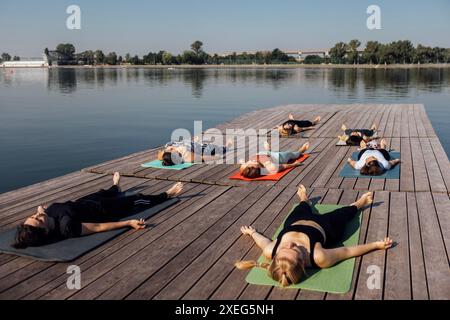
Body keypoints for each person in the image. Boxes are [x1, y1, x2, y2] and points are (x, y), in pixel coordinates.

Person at [235, 185, 393, 287]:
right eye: (295, 250)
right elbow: (347, 252)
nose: (290, 244)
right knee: (345, 213)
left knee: (302, 206)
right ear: (302, 262)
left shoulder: (271, 251)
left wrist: (252, 233)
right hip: (325, 226)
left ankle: (304, 198)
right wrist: (376, 245)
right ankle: (360, 202)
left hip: (294, 222)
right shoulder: (318, 257)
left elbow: (263, 242)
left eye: (284, 248)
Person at [12, 173, 183, 249]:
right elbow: (98, 227)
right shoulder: (66, 227)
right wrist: (129, 223)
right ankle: (166, 194)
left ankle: (116, 186)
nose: (38, 215)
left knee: (105, 192)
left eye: (33, 216)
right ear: (46, 230)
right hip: (105, 210)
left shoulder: (46, 215)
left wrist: (40, 212)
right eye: (39, 219)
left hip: (84, 202)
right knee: (137, 198)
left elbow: (41, 211)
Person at [239, 142, 310, 179]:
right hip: (280, 156)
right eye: (249, 163)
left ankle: (268, 150)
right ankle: (300, 151)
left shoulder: (249, 166)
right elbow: (283, 166)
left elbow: (245, 166)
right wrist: (294, 164)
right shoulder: (270, 166)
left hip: (266, 154)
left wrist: (242, 162)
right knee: (290, 154)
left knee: (264, 153)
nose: (249, 161)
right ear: (255, 167)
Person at [157, 136, 233, 166]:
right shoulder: (188, 156)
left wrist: (169, 149)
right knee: (215, 149)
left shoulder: (166, 153)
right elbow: (202, 158)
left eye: (170, 150)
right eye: (172, 151)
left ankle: (194, 140)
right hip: (200, 148)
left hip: (185, 144)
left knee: (169, 145)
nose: (171, 150)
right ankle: (227, 146)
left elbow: (160, 155)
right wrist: (217, 158)